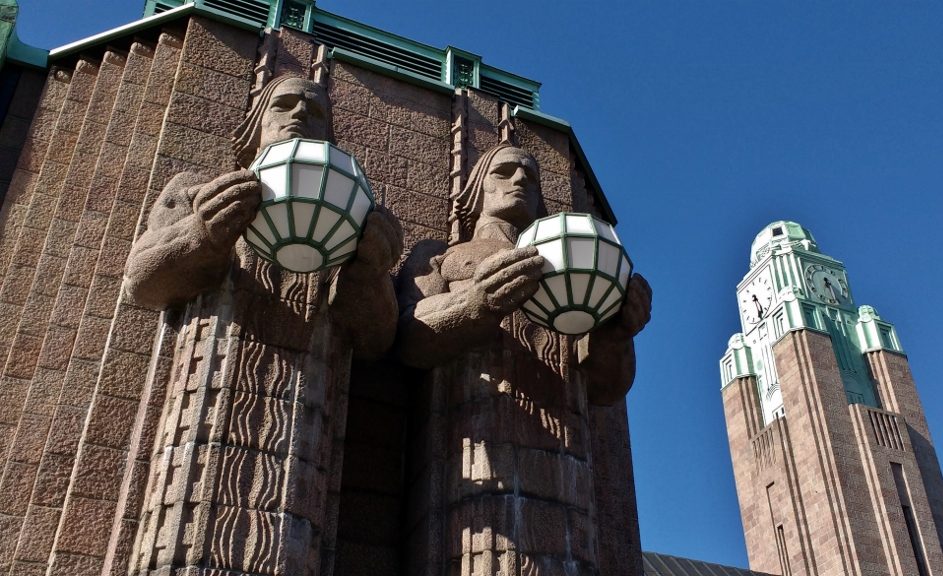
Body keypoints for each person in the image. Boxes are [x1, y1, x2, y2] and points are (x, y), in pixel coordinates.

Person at [123, 75, 402, 576]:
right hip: (204, 397)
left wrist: (369, 270)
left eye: (314, 110)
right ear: (257, 122)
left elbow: (380, 336)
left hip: (308, 424)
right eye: (285, 103)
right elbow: (140, 280)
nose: (298, 113)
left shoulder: (352, 216)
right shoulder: (199, 190)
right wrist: (202, 231)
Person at [397, 143, 651, 574]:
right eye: (505, 172)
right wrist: (477, 302)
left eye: (530, 177)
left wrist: (618, 331)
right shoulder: (439, 256)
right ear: (477, 189)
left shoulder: (570, 274)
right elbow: (408, 336)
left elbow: (606, 385)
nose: (519, 181)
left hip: (566, 471)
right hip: (474, 457)